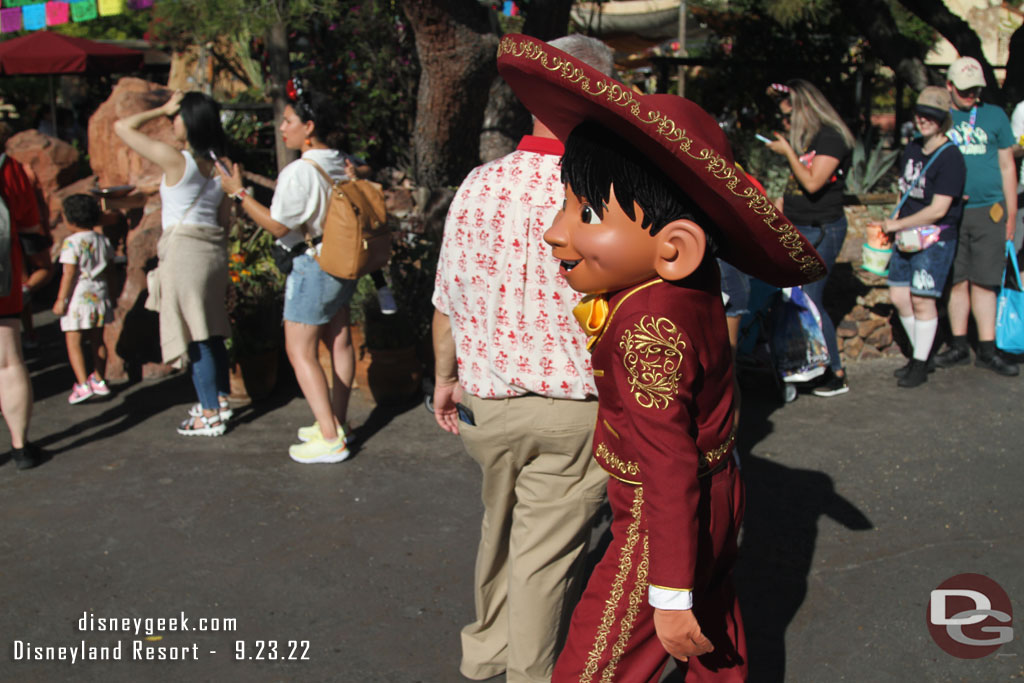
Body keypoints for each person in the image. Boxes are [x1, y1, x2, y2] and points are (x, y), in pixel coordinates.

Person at [497, 34, 825, 682]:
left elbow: (668, 465)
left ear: (674, 245)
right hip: (721, 485)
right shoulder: (684, 291)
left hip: (658, 515)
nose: (556, 229)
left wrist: (667, 593)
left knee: (597, 660)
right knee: (715, 634)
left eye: (586, 211)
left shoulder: (648, 327)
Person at [431, 34, 614, 683]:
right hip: (575, 405)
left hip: (489, 401)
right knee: (544, 552)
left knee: (501, 525)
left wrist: (444, 379)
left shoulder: (480, 184)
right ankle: (530, 674)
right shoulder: (609, 192)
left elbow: (447, 298)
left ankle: (485, 652)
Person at [218, 77, 357, 463]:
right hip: (343, 261)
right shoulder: (341, 161)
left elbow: (279, 226)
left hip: (312, 265)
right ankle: (336, 421)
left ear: (308, 127)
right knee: (339, 340)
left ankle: (330, 439)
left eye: (289, 120)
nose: (282, 127)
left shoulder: (300, 171)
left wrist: (239, 192)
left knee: (300, 351)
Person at [114, 90, 234, 436]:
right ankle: (220, 399)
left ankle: (209, 414)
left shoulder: (176, 159)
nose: (171, 121)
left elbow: (123, 127)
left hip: (184, 255)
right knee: (210, 331)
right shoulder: (222, 165)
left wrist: (160, 107)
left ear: (191, 120)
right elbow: (227, 221)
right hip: (212, 253)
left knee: (195, 336)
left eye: (176, 116)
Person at [767, 79, 855, 396]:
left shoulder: (831, 138)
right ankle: (808, 366)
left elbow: (813, 182)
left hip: (822, 228)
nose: (785, 119)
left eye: (788, 111)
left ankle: (835, 372)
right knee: (795, 298)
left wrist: (788, 151)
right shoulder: (812, 139)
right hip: (802, 225)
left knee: (812, 301)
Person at [936, 56, 1019, 376]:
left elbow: (1007, 166)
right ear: (950, 86)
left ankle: (987, 347)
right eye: (965, 90)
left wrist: (1011, 213)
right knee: (957, 280)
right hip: (952, 211)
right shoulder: (941, 117)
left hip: (990, 210)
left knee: (985, 281)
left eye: (975, 90)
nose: (971, 96)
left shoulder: (995, 116)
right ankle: (958, 345)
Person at [882, 87, 966, 388]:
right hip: (906, 235)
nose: (923, 120)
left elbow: (938, 209)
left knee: (922, 300)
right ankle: (922, 354)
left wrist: (898, 224)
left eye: (932, 115)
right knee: (899, 296)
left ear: (944, 120)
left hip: (933, 238)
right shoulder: (913, 148)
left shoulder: (951, 157)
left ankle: (920, 362)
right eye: (920, 113)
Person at [52, 194, 115, 403]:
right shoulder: (102, 239)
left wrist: (61, 299)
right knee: (98, 338)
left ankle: (81, 384)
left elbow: (69, 273)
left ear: (70, 219)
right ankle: (99, 379)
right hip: (100, 292)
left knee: (74, 339)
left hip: (79, 296)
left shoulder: (71, 243)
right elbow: (111, 266)